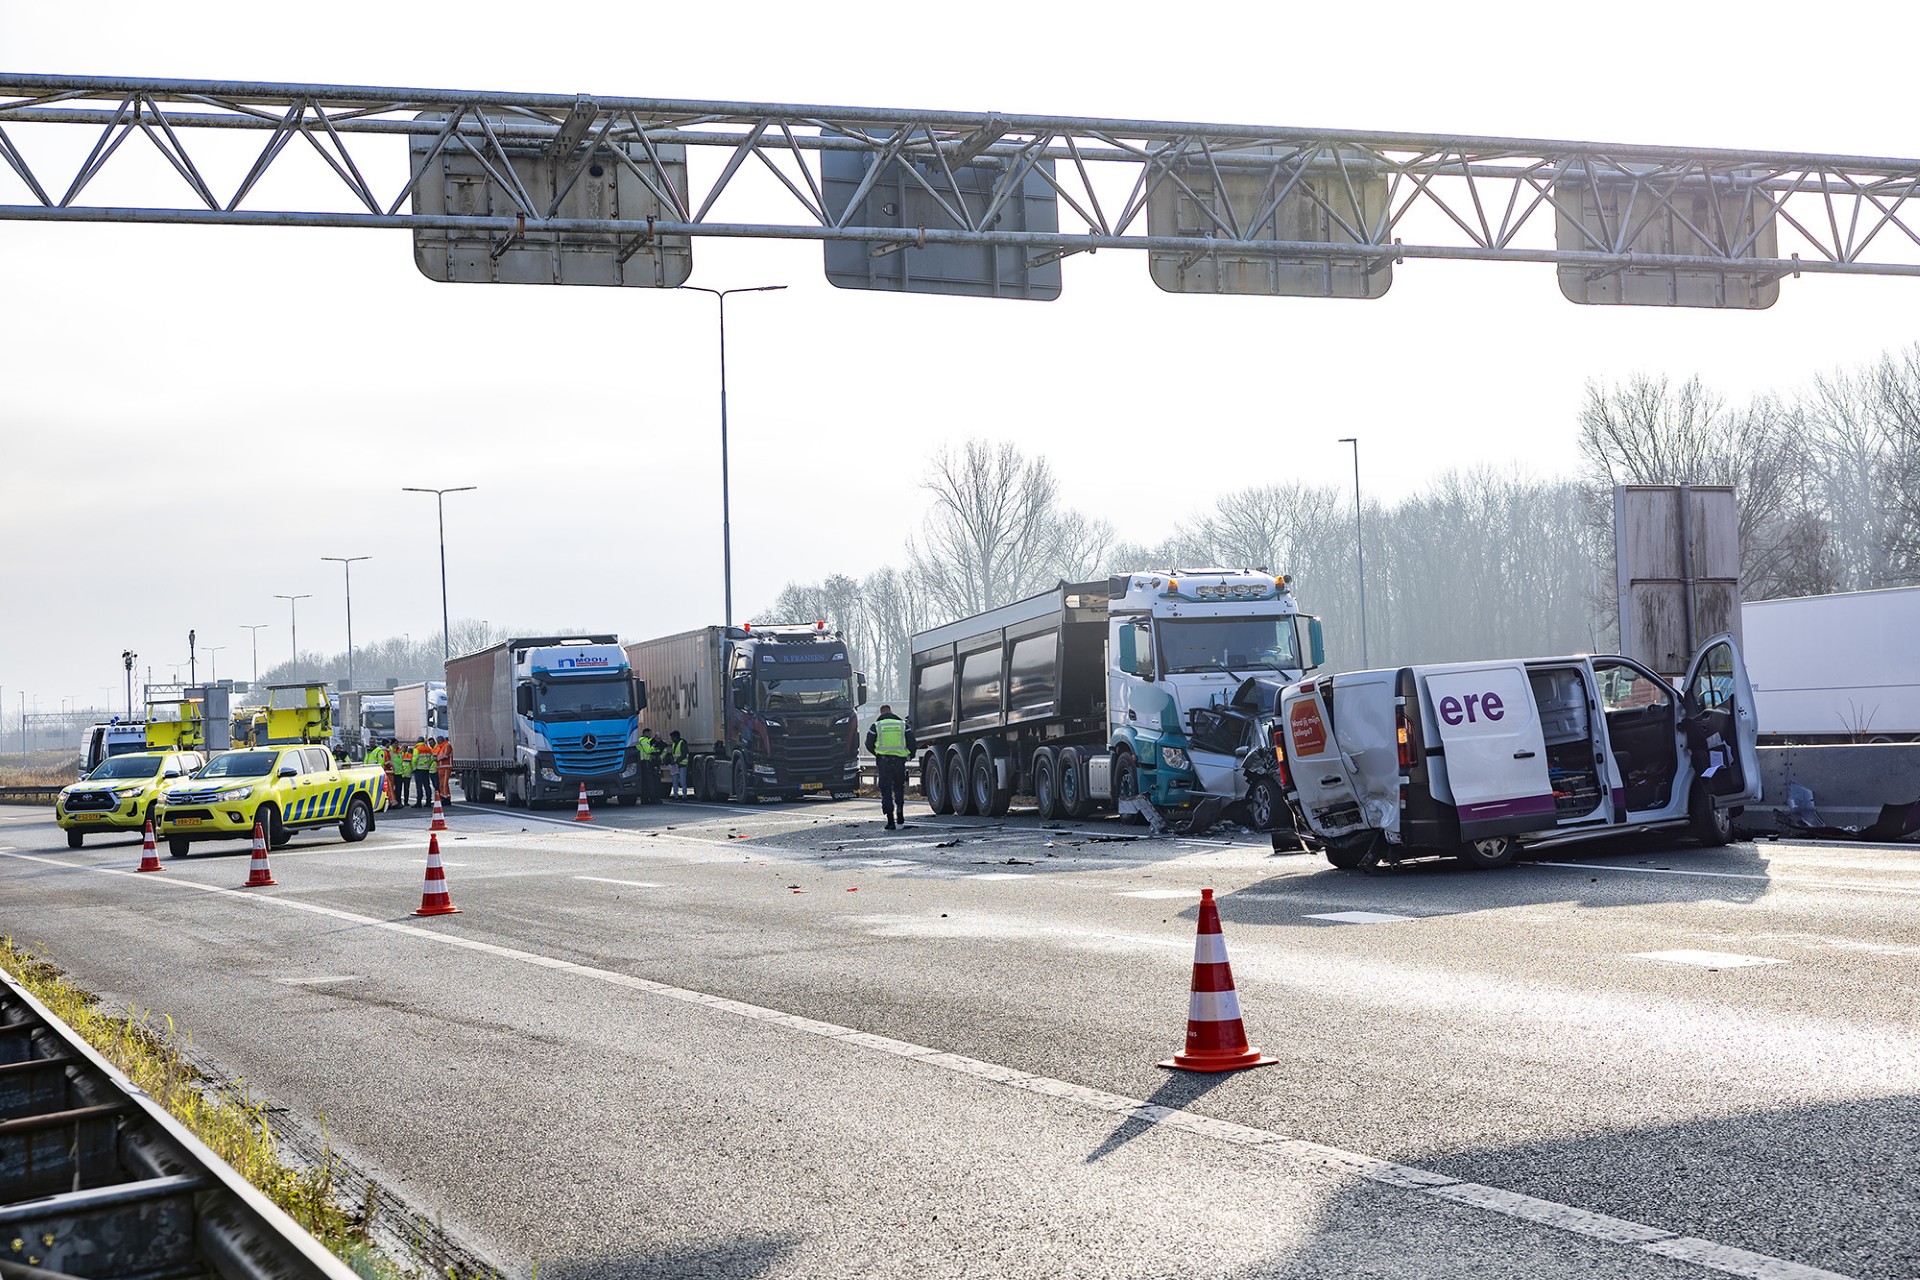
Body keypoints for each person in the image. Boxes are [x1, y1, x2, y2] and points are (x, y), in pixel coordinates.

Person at [865, 705, 915, 830]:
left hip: (884, 762)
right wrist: (910, 755)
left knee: (886, 791)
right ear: (891, 712)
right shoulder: (903, 725)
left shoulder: (876, 726)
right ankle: (900, 812)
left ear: (881, 713)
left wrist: (877, 754)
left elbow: (868, 744)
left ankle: (891, 821)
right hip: (899, 762)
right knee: (899, 788)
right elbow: (912, 742)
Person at [636, 729, 659, 804]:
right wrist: (655, 748)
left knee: (644, 782)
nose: (650, 735)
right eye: (650, 733)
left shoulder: (639, 739)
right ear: (645, 733)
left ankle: (644, 799)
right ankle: (652, 798)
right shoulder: (645, 740)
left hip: (641, 762)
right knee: (649, 781)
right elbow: (648, 750)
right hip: (646, 762)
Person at [412, 738, 437, 808]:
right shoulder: (428, 748)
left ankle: (419, 802)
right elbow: (432, 759)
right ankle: (428, 801)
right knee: (427, 786)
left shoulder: (417, 749)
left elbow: (414, 759)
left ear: (418, 741)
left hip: (418, 769)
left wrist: (414, 768)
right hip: (426, 769)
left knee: (419, 786)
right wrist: (427, 765)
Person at [391, 737, 414, 808]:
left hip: (406, 774)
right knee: (397, 789)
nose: (405, 748)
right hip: (399, 773)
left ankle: (405, 802)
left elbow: (412, 764)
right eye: (403, 747)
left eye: (406, 747)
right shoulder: (399, 753)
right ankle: (398, 801)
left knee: (405, 789)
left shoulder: (409, 755)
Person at [668, 731, 689, 799]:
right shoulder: (674, 744)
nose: (671, 739)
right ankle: (675, 795)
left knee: (682, 781)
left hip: (682, 765)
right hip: (675, 766)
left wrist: (676, 761)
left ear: (675, 737)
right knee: (675, 781)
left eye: (672, 737)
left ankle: (684, 795)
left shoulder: (682, 743)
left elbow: (684, 754)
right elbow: (673, 754)